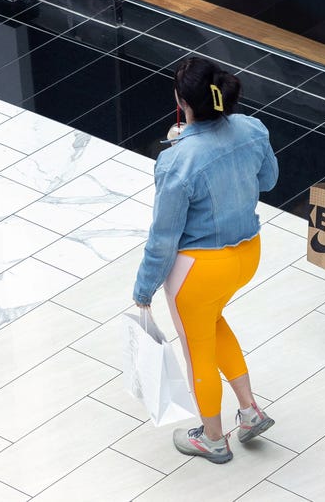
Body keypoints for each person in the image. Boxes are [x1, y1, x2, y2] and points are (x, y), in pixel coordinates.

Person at [132, 55, 279, 464]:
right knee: (213, 326)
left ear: (183, 103)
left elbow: (163, 238)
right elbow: (267, 180)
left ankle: (213, 437)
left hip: (197, 272)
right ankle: (249, 410)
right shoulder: (252, 129)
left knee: (197, 349)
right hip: (247, 255)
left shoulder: (177, 161)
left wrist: (143, 290)